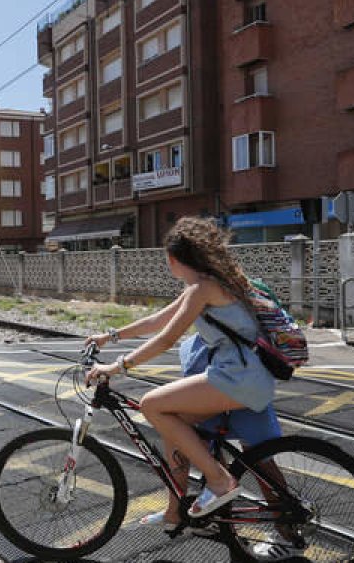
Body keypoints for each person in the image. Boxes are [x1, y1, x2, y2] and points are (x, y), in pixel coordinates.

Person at [85, 217, 281, 529]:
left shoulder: (202, 289)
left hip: (237, 378)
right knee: (175, 428)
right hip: (244, 375)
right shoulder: (207, 283)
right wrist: (110, 336)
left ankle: (220, 480)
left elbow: (165, 339)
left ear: (173, 259)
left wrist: (116, 367)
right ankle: (175, 512)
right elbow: (159, 320)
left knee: (151, 405)